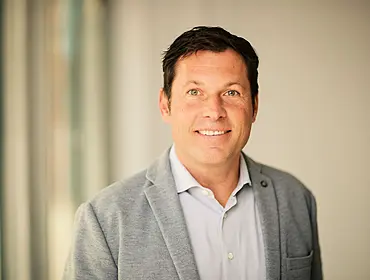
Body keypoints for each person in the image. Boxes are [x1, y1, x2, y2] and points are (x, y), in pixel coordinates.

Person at [63, 26, 323, 280]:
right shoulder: (105, 217)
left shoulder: (295, 199)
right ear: (166, 105)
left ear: (254, 106)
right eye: (194, 92)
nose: (214, 110)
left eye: (231, 92)